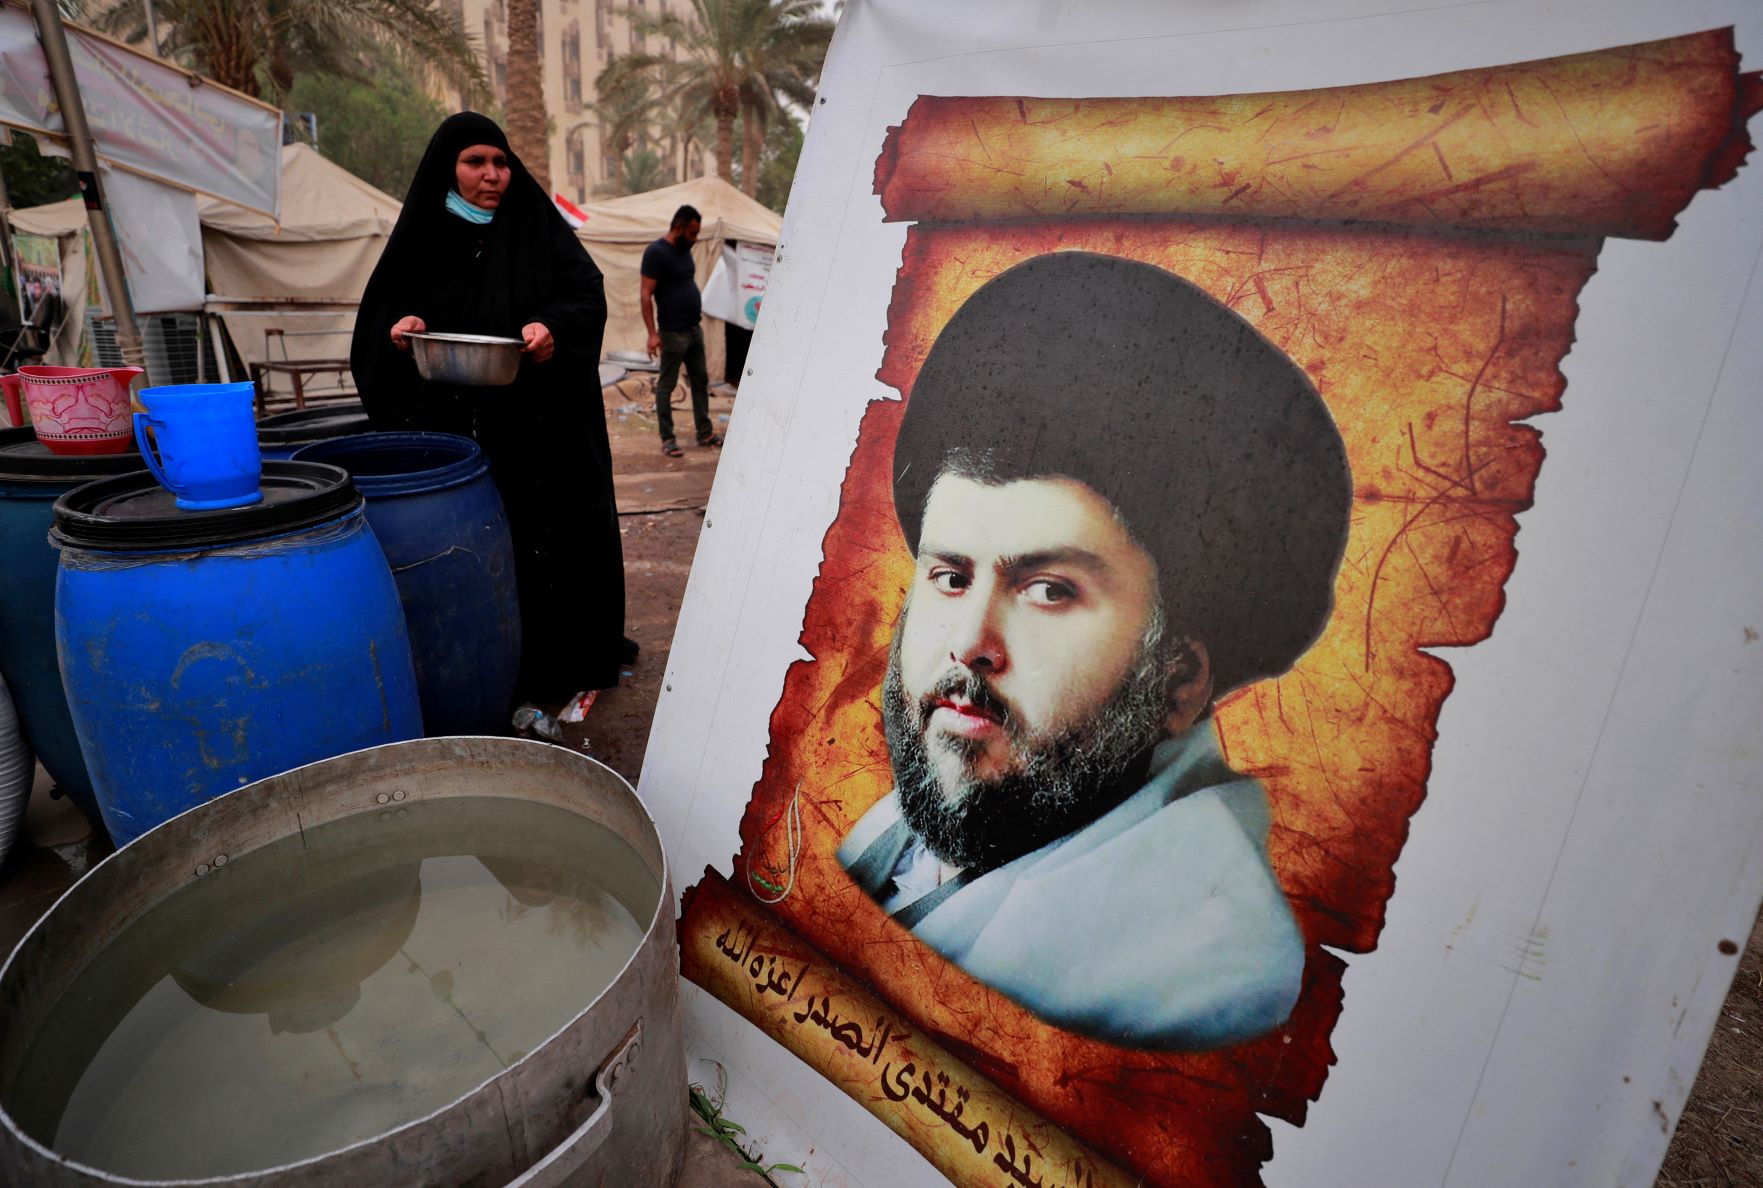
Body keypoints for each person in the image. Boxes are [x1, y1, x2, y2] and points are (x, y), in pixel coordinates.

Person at [836, 251, 1354, 1050]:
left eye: (1047, 590)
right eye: (947, 577)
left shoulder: (1193, 985)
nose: (967, 644)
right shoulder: (970, 803)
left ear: (1177, 678)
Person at [351, 112, 631, 701]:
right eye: (475, 162)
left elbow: (586, 294)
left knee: (547, 547)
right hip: (456, 436)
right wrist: (402, 331)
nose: (493, 175)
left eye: (500, 162)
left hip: (538, 430)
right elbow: (381, 318)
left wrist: (553, 327)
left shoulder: (535, 226)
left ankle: (556, 664)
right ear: (447, 169)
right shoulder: (423, 235)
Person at [641, 204, 722, 458]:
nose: (695, 239)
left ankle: (704, 432)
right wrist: (653, 334)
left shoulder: (685, 251)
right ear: (678, 227)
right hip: (672, 333)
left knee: (700, 381)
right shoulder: (656, 252)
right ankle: (668, 439)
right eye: (692, 233)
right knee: (667, 385)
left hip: (693, 329)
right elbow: (645, 295)